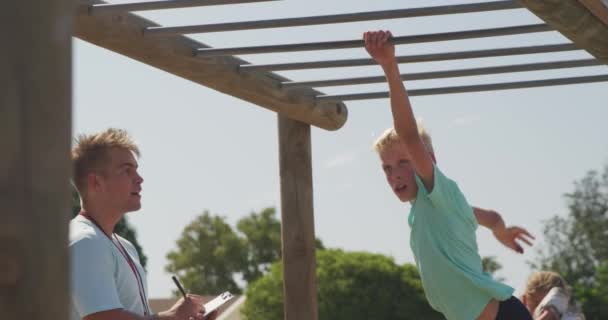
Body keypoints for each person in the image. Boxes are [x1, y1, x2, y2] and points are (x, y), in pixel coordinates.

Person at [365, 30, 535, 320]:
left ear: (428, 159)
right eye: (387, 168)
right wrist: (502, 232)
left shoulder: (437, 190)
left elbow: (408, 134)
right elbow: (490, 217)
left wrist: (389, 67)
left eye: (404, 162)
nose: (395, 175)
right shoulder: (438, 208)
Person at [69, 128, 217, 320]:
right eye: (127, 170)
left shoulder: (124, 245)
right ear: (96, 182)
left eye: (136, 170)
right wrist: (171, 317)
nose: (139, 179)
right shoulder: (84, 242)